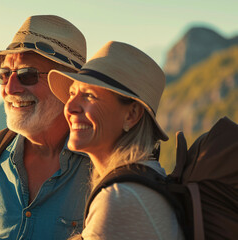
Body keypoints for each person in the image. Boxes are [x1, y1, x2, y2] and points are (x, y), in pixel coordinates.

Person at [0, 15, 91, 240]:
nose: (10, 88)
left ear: (68, 85)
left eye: (27, 75)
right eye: (4, 75)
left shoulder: (101, 167)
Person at [48, 41, 185, 239]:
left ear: (131, 115)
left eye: (89, 95)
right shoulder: (143, 180)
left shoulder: (120, 199)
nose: (70, 108)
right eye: (72, 93)